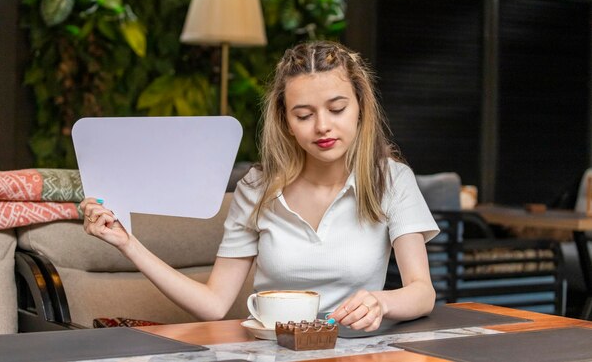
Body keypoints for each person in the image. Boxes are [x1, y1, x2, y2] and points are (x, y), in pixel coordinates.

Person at [81, 40, 439, 332]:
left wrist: (382, 301)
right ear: (286, 122)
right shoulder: (257, 187)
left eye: (337, 108)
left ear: (360, 107)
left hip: (359, 352)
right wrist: (128, 244)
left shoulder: (391, 179)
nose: (322, 126)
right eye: (304, 115)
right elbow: (213, 304)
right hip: (272, 353)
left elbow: (422, 292)